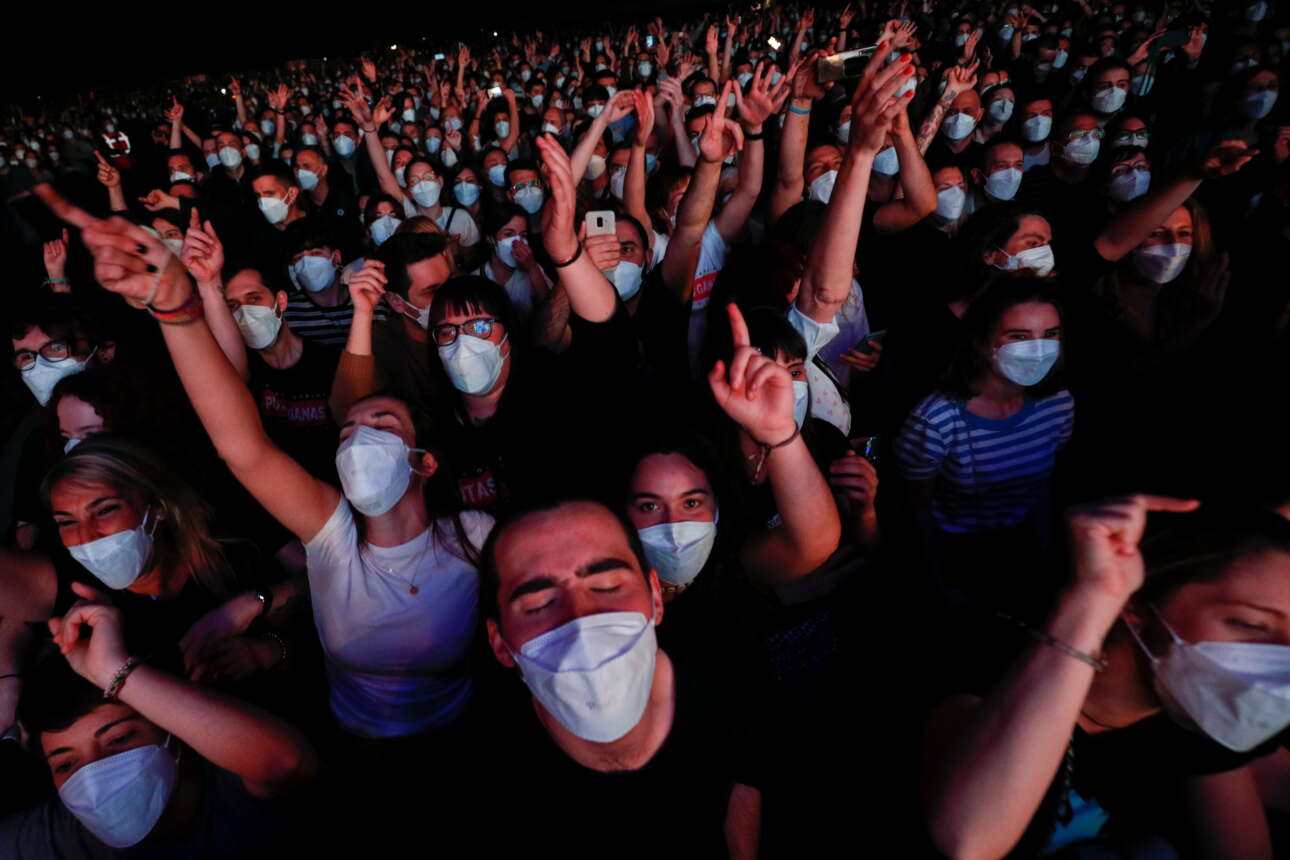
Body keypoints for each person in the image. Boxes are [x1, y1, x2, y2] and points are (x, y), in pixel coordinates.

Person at [922, 496, 1290, 859]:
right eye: (1250, 624)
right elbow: (968, 841)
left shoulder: (1191, 713)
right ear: (1136, 599)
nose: (1280, 659)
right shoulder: (984, 666)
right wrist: (1096, 594)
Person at [0, 602, 320, 857]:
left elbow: (285, 764)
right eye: (65, 764)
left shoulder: (231, 783)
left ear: (171, 728)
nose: (96, 776)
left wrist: (114, 671)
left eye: (118, 739)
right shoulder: (56, 838)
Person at [896, 278, 1073, 615]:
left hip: (1025, 546)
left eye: (1050, 334)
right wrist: (940, 583)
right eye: (1019, 336)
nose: (1039, 350)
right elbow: (917, 510)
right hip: (958, 551)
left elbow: (1043, 487)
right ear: (982, 341)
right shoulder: (935, 420)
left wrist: (1046, 552)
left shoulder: (1058, 404)